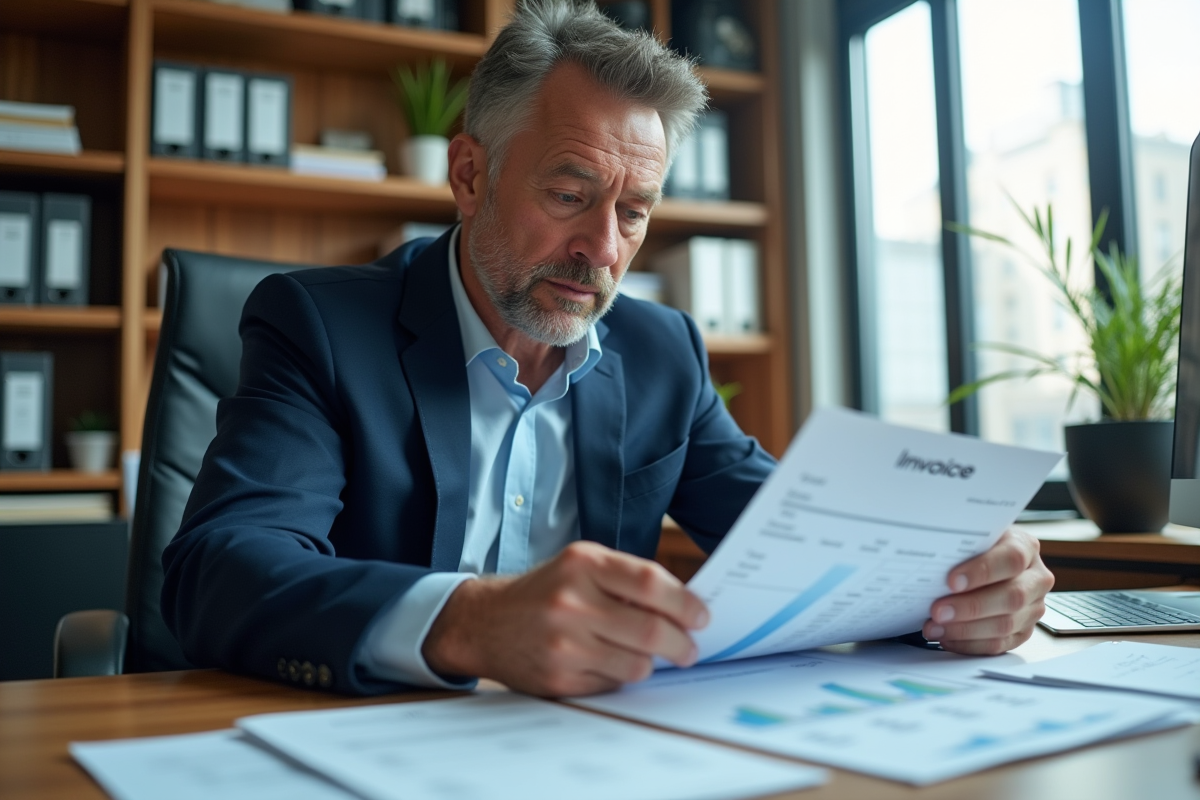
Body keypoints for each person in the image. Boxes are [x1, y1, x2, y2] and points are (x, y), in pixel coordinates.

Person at [161, 0, 1054, 697]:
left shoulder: (663, 351)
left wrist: (954, 586)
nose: (604, 249)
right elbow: (220, 572)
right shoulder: (318, 327)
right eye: (568, 193)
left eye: (634, 211)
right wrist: (468, 623)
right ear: (470, 175)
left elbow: (802, 541)